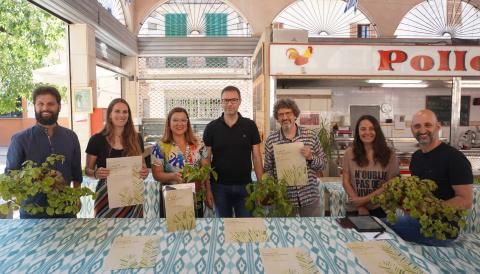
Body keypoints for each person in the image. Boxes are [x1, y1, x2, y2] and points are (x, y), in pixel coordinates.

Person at [387, 109, 473, 246]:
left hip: (441, 231)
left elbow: (466, 200)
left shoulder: (454, 158)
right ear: (412, 129)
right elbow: (418, 193)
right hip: (418, 222)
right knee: (378, 223)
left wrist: (429, 209)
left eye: (428, 125)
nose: (422, 130)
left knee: (383, 231)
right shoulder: (416, 157)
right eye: (417, 126)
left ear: (437, 127)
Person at [5, 86, 83, 218]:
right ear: (34, 107)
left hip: (65, 209)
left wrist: (76, 197)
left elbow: (76, 172)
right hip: (32, 212)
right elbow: (10, 176)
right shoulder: (20, 139)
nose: (45, 108)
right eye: (40, 104)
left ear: (59, 107)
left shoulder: (71, 137)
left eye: (50, 104)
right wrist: (39, 176)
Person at [203, 86, 263, 217]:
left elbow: (257, 157)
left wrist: (261, 185)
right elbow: (205, 160)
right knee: (223, 228)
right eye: (225, 100)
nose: (229, 103)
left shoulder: (250, 126)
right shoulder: (211, 128)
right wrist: (207, 189)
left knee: (246, 229)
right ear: (221, 102)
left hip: (245, 187)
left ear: (240, 101)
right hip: (219, 188)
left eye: (233, 100)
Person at [85, 98, 149, 218]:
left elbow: (142, 166)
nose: (121, 115)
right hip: (106, 197)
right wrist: (95, 173)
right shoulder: (96, 140)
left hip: (132, 196)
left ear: (128, 116)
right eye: (117, 111)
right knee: (105, 233)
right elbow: (87, 170)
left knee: (132, 233)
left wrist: (144, 173)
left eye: (125, 112)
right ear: (110, 115)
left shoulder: (137, 138)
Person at [264, 98, 327, 217]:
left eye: (288, 113)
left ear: (295, 115)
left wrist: (311, 157)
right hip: (284, 201)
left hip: (310, 199)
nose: (284, 117)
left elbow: (323, 164)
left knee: (312, 232)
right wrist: (273, 186)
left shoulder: (310, 136)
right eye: (281, 114)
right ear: (277, 118)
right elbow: (268, 169)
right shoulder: (271, 140)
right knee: (287, 234)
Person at [151, 107, 209, 217]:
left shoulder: (199, 144)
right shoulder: (159, 147)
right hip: (172, 197)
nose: (180, 123)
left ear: (187, 122)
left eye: (183, 120)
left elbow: (206, 169)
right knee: (172, 232)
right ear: (169, 123)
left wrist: (206, 189)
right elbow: (156, 174)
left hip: (195, 196)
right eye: (175, 120)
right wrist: (172, 176)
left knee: (195, 232)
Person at [342, 115, 399, 218]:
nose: (367, 132)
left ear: (377, 131)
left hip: (381, 209)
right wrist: (359, 205)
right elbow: (346, 181)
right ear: (358, 132)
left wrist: (364, 200)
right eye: (363, 129)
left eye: (371, 129)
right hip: (355, 209)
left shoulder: (390, 155)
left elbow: (391, 183)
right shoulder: (349, 153)